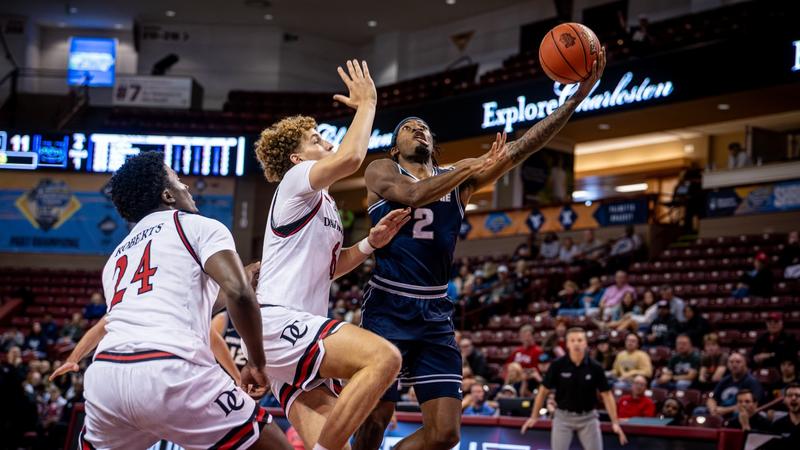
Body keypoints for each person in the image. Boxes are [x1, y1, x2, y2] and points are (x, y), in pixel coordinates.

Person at [356, 49, 607, 450]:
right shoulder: (381, 169)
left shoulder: (459, 176)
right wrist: (468, 168)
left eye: (424, 128)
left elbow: (523, 147)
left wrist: (575, 101)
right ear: (394, 146)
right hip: (389, 304)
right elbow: (414, 195)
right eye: (409, 127)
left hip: (435, 311)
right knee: (374, 422)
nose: (419, 130)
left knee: (446, 434)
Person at [74, 151, 291, 450]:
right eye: (178, 180)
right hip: (169, 369)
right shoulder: (198, 226)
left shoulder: (117, 256)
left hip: (105, 376)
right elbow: (239, 292)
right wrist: (256, 361)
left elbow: (181, 302)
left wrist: (240, 277)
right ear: (167, 194)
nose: (186, 186)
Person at [252, 60, 410, 450]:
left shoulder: (321, 203)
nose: (325, 142)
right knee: (384, 360)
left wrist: (370, 243)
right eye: (315, 139)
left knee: (333, 440)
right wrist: (368, 104)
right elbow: (352, 159)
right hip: (280, 322)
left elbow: (329, 270)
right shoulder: (295, 182)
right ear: (296, 159)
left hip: (287, 333)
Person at [521, 328, 627, 449]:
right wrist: (534, 416)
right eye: (572, 340)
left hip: (588, 417)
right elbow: (542, 391)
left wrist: (615, 422)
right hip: (563, 417)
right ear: (567, 344)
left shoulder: (595, 367)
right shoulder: (557, 365)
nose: (576, 343)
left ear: (585, 343)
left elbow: (607, 395)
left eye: (580, 340)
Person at [706, 352, 764, 418]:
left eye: (738, 362)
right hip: (720, 411)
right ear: (727, 364)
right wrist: (713, 410)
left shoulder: (752, 382)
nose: (734, 364)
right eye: (731, 362)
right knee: (699, 411)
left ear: (745, 364)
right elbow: (712, 398)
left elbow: (751, 404)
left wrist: (725, 410)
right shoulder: (725, 380)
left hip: (736, 413)